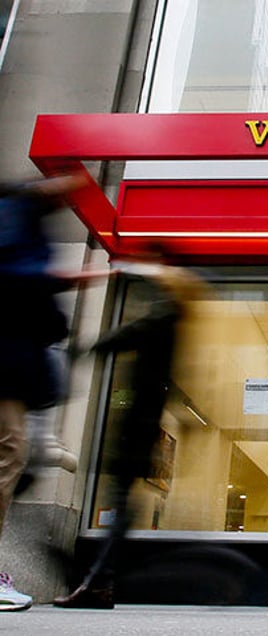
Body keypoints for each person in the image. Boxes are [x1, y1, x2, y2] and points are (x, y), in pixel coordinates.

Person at [53, 252, 206, 609]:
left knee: (122, 505)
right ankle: (98, 580)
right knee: (123, 504)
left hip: (137, 423)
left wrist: (87, 347)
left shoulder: (165, 313)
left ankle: (99, 580)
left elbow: (128, 335)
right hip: (143, 422)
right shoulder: (175, 316)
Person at [0, 173, 92, 611]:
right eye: (65, 185)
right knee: (8, 455)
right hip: (8, 364)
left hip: (17, 365)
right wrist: (59, 276)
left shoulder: (29, 220)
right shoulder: (14, 214)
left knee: (11, 456)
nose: (70, 195)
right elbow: (13, 274)